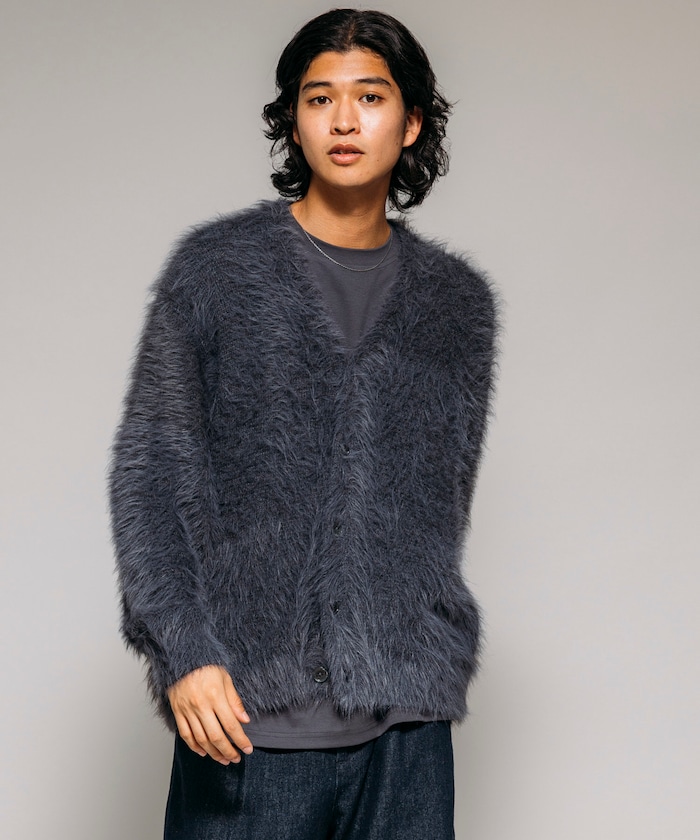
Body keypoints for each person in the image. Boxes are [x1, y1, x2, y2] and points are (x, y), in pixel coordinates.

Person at [109, 8, 499, 839]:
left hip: (407, 728)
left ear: (412, 121)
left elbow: (441, 506)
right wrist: (184, 651)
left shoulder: (457, 304)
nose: (345, 120)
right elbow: (152, 478)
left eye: (371, 97)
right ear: (294, 121)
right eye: (320, 99)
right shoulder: (216, 272)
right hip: (250, 719)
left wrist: (421, 653)